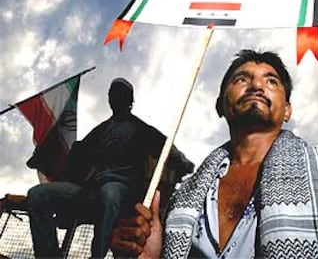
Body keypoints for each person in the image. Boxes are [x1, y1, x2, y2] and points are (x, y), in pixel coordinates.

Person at [110, 50, 318, 258]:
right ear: (220, 105)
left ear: (287, 110)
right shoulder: (184, 198)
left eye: (271, 80)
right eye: (242, 79)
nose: (256, 86)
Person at [26, 78, 193, 258]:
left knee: (110, 192)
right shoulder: (100, 130)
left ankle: (97, 255)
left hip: (123, 192)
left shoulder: (141, 129)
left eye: (120, 94)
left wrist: (184, 163)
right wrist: (47, 155)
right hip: (90, 191)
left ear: (130, 100)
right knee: (38, 194)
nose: (115, 97)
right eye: (112, 94)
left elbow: (167, 149)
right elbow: (76, 155)